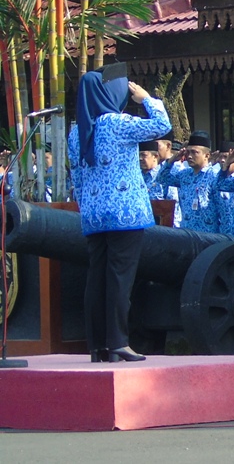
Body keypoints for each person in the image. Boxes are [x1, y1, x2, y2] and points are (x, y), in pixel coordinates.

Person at [67, 63, 171, 363]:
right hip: (125, 214)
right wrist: (146, 98)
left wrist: (87, 207)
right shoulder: (117, 122)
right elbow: (161, 125)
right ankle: (118, 341)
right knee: (120, 280)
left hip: (94, 214)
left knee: (96, 278)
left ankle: (97, 344)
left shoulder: (77, 132)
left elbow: (78, 176)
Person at [157, 131, 220, 232]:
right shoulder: (184, 175)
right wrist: (172, 160)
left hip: (209, 234)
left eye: (195, 152)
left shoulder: (215, 175)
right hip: (187, 233)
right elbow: (161, 178)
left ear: (207, 155)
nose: (190, 156)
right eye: (188, 152)